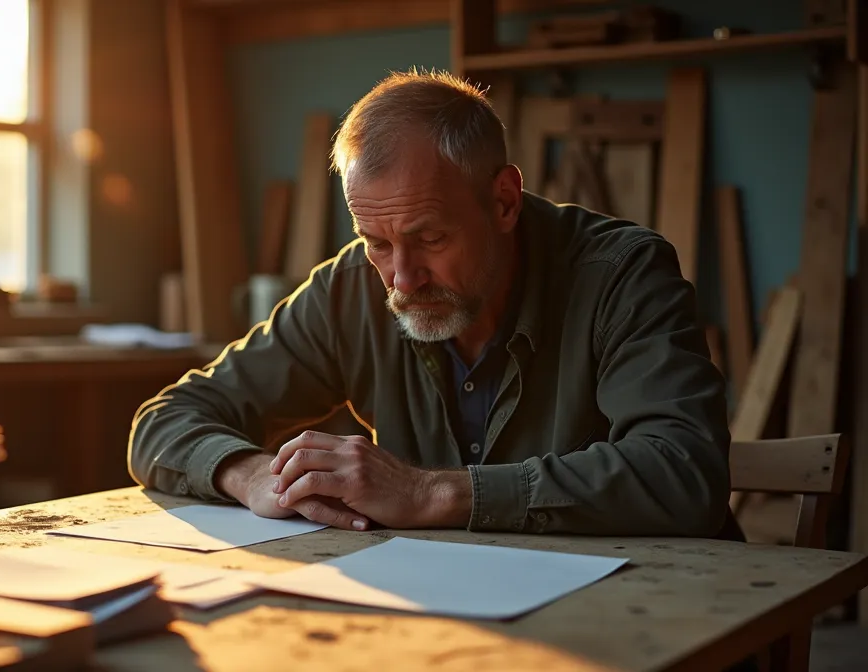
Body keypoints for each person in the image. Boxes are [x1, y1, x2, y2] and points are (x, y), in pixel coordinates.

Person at [127, 68, 734, 538]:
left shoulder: (621, 274)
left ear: (503, 201)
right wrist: (252, 474)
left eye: (431, 238)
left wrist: (430, 494)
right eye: (376, 242)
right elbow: (164, 420)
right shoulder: (349, 288)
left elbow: (683, 471)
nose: (402, 278)